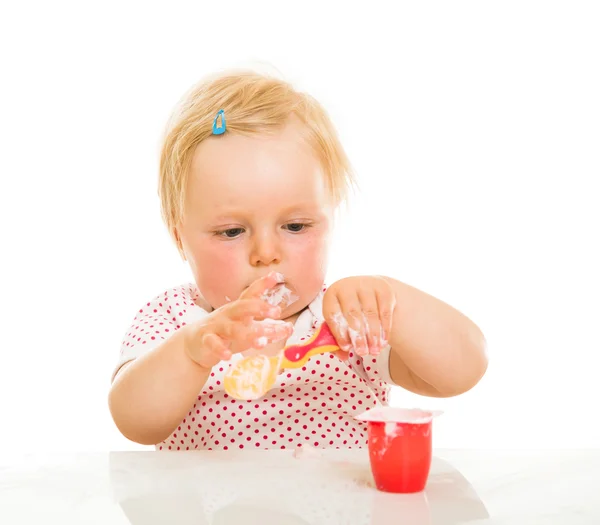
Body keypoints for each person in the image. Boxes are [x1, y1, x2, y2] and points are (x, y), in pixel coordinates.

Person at [108, 70, 488, 451]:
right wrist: (192, 353)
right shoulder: (175, 319)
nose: (266, 253)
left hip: (343, 509)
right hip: (215, 511)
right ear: (180, 239)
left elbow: (463, 371)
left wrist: (391, 300)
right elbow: (135, 422)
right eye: (232, 232)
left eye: (294, 225)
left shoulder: (346, 320)